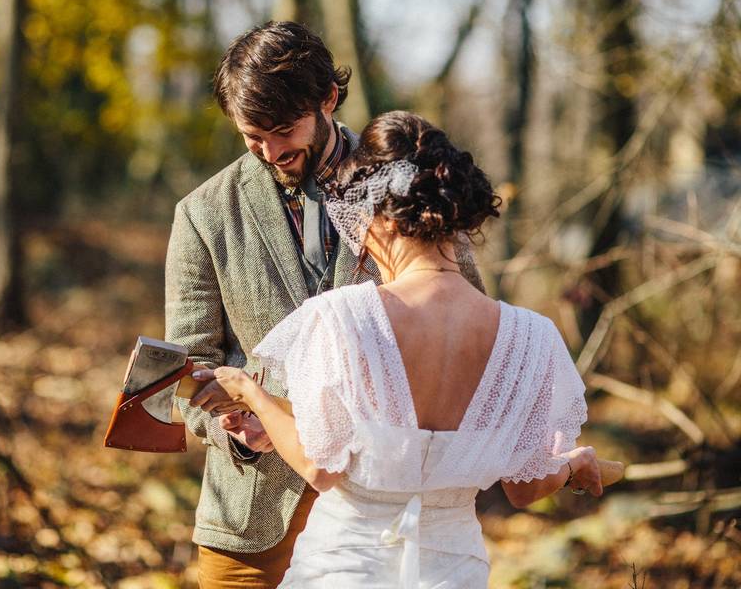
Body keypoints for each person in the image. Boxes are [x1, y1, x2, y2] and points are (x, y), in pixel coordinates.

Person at [196, 111, 603, 588]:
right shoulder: (531, 338)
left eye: (359, 224)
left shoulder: (342, 318)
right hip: (453, 572)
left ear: (380, 220)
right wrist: (573, 464)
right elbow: (526, 488)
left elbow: (320, 466)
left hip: (346, 568)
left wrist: (249, 391)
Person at [164, 24, 486, 588]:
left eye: (283, 130)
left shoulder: (409, 184)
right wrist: (235, 426)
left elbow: (466, 316)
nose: (270, 152)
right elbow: (188, 364)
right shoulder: (202, 213)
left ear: (328, 99)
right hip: (249, 520)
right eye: (251, 137)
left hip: (382, 520)